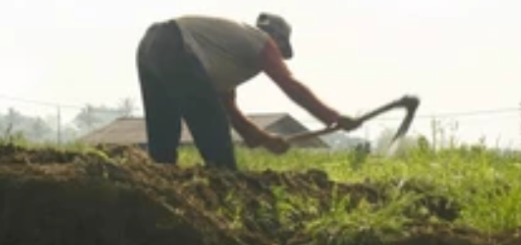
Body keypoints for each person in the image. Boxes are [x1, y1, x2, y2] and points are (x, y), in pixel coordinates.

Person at [135, 12, 360, 169]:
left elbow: (232, 113)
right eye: (280, 52)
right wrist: (333, 118)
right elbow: (292, 87)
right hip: (176, 45)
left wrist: (265, 139)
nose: (278, 58)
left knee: (163, 138)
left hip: (149, 46)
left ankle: (160, 190)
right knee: (215, 133)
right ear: (278, 39)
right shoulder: (262, 41)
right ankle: (224, 185)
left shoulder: (221, 56)